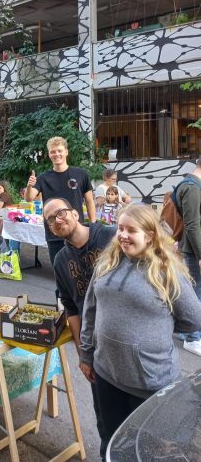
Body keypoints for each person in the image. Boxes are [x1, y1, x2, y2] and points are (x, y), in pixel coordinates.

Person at [79, 204, 201, 455]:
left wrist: (158, 326)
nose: (123, 235)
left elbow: (193, 318)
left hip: (150, 383)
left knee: (147, 451)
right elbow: (90, 309)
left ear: (150, 235)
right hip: (106, 373)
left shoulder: (168, 271)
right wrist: (86, 353)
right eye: (120, 229)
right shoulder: (107, 261)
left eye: (131, 230)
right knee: (110, 441)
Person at [44, 197, 116, 460]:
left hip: (127, 343)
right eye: (50, 219)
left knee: (141, 420)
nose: (57, 220)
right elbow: (71, 308)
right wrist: (83, 355)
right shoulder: (61, 259)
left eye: (61, 213)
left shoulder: (111, 237)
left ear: (75, 212)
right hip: (96, 349)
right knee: (107, 422)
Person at [25, 136, 96, 265]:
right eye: (53, 151)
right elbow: (29, 198)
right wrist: (30, 185)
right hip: (54, 233)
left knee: (82, 270)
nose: (56, 154)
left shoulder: (81, 174)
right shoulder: (43, 178)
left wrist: (94, 226)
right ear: (49, 154)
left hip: (78, 231)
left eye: (59, 150)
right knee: (59, 272)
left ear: (66, 152)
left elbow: (90, 202)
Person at [175, 157, 201, 357]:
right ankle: (193, 338)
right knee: (196, 293)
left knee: (193, 290)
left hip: (193, 249)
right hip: (194, 251)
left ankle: (187, 332)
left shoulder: (193, 185)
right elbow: (193, 225)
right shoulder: (192, 187)